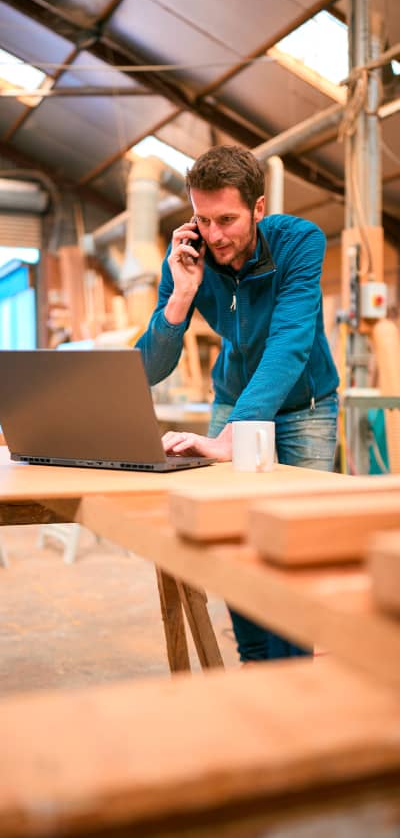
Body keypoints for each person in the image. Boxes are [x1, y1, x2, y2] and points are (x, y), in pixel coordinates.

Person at [136, 145, 339, 662]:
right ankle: (255, 659)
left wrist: (236, 433)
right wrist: (180, 296)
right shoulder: (189, 254)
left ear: (258, 208)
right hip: (232, 401)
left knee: (297, 546)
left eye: (227, 219)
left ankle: (292, 670)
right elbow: (150, 368)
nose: (216, 234)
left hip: (305, 407)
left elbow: (291, 341)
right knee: (234, 538)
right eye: (203, 219)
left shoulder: (300, 243)